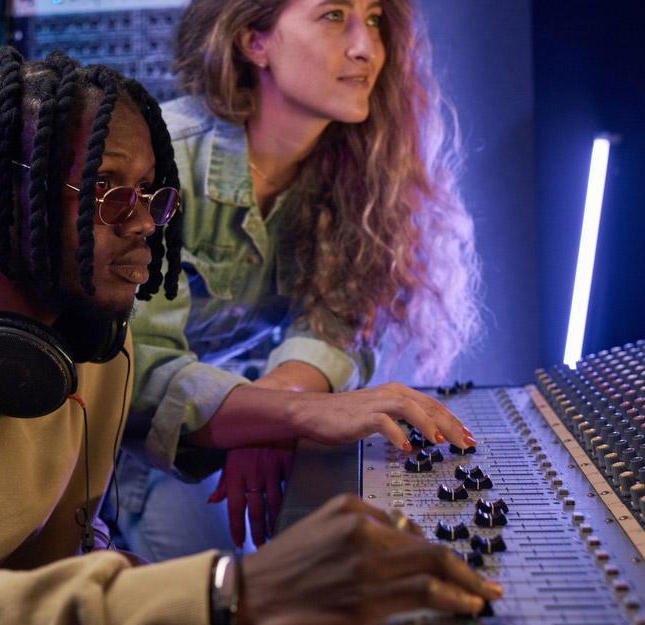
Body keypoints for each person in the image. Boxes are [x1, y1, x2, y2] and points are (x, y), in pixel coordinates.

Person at [0, 48, 501, 625]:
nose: (144, 227)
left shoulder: (91, 349)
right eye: (108, 193)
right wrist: (223, 592)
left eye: (153, 197)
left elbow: (64, 563)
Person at [109, 0, 482, 560]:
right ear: (253, 42)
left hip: (251, 417)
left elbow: (338, 325)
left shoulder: (357, 170)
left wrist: (275, 406)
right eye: (334, 15)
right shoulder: (165, 162)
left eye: (375, 19)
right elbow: (135, 371)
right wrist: (279, 415)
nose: (366, 47)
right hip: (130, 458)